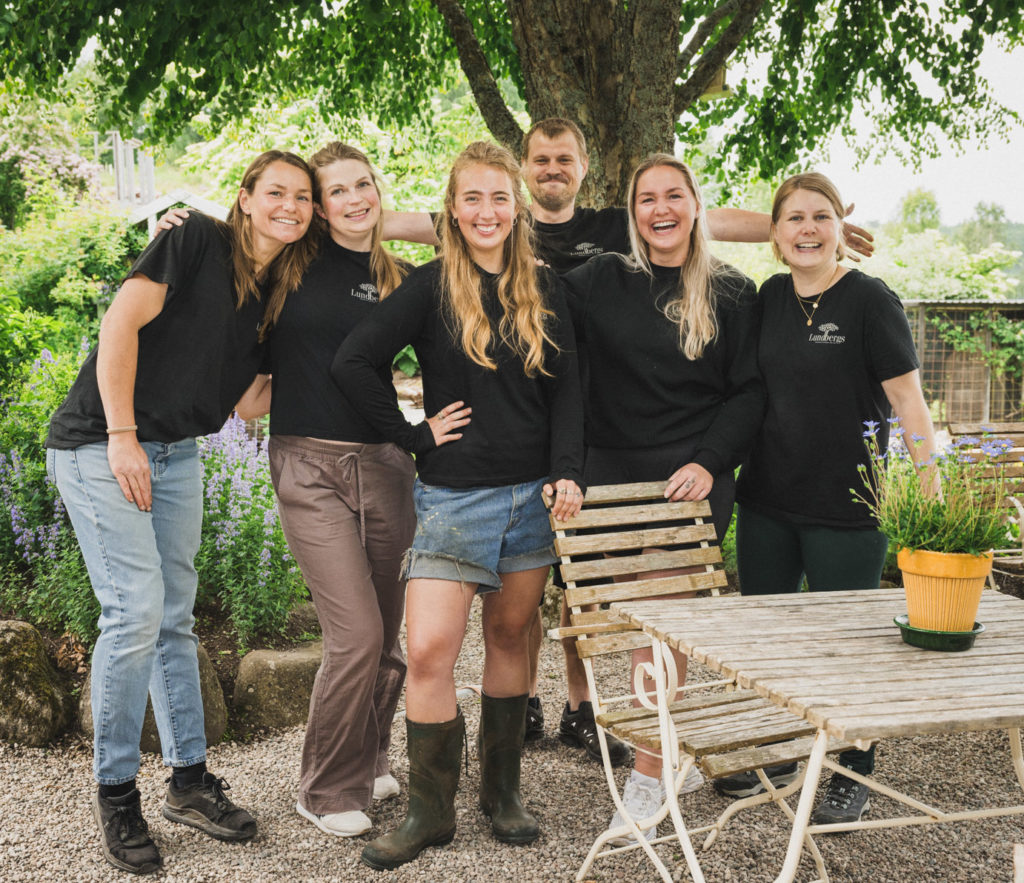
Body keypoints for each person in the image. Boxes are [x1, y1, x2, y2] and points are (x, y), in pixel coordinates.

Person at [46, 151, 317, 875]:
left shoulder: (273, 297)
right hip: (100, 444)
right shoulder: (193, 238)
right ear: (247, 198)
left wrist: (321, 365)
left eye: (303, 196)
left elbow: (247, 402)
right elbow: (118, 327)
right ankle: (115, 793)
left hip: (178, 455)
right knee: (133, 613)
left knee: (172, 618)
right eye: (278, 192)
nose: (291, 205)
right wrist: (123, 436)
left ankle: (190, 783)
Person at [332, 141, 585, 870]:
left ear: (517, 207)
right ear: (453, 208)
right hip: (451, 498)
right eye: (471, 198)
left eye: (499, 197)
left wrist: (567, 471)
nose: (486, 211)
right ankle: (428, 810)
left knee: (510, 639)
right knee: (431, 651)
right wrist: (413, 434)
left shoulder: (546, 287)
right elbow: (352, 360)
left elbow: (570, 391)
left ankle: (501, 795)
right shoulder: (432, 286)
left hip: (531, 501)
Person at [561, 153, 764, 845]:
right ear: (632, 211)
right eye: (646, 198)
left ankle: (649, 777)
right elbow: (536, 319)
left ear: (695, 204)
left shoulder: (732, 292)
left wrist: (711, 461)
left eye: (673, 195)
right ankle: (662, 741)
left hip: (690, 478)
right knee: (614, 629)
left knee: (658, 625)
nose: (660, 209)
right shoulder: (598, 281)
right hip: (610, 476)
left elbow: (748, 392)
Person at [727, 171, 937, 825]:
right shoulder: (767, 297)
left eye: (821, 217)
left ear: (841, 225)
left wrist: (928, 495)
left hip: (849, 507)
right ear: (776, 231)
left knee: (849, 646)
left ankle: (850, 769)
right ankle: (782, 750)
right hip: (765, 501)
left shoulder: (871, 300)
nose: (808, 229)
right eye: (794, 218)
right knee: (767, 639)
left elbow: (909, 403)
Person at [230, 142, 425, 839]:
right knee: (356, 632)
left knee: (388, 633)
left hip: (385, 464)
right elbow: (233, 251)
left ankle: (369, 755)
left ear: (380, 188)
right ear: (317, 205)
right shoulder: (289, 265)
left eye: (363, 184)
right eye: (333, 190)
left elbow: (467, 237)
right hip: (309, 466)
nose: (353, 199)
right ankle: (323, 786)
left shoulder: (402, 278)